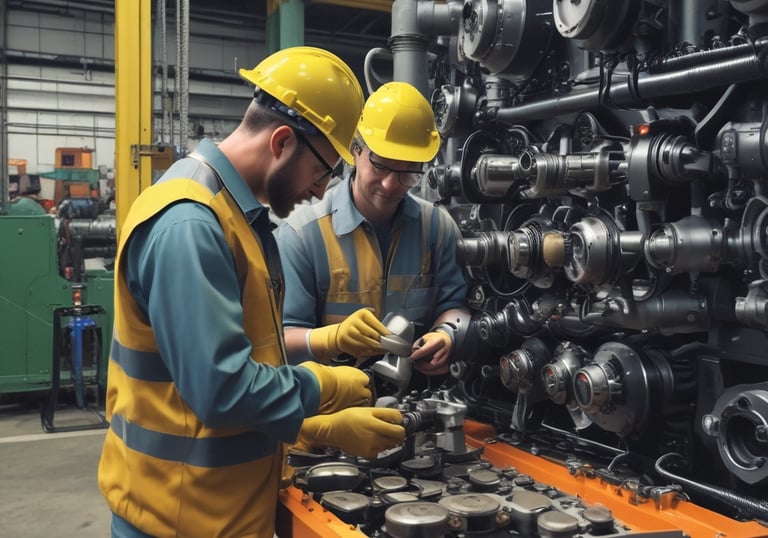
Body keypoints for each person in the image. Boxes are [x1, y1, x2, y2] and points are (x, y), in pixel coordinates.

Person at [97, 47, 405, 538]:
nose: (323, 191)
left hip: (216, 512)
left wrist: (318, 428)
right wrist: (322, 387)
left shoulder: (237, 219)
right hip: (178, 522)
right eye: (324, 171)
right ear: (283, 141)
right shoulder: (191, 224)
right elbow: (222, 390)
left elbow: (222, 384)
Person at [276, 81, 470, 384]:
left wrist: (447, 335)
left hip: (417, 404)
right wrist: (333, 338)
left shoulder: (437, 228)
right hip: (331, 409)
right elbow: (281, 341)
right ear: (356, 151)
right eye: (380, 166)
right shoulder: (303, 235)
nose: (391, 184)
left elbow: (455, 305)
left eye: (407, 172)